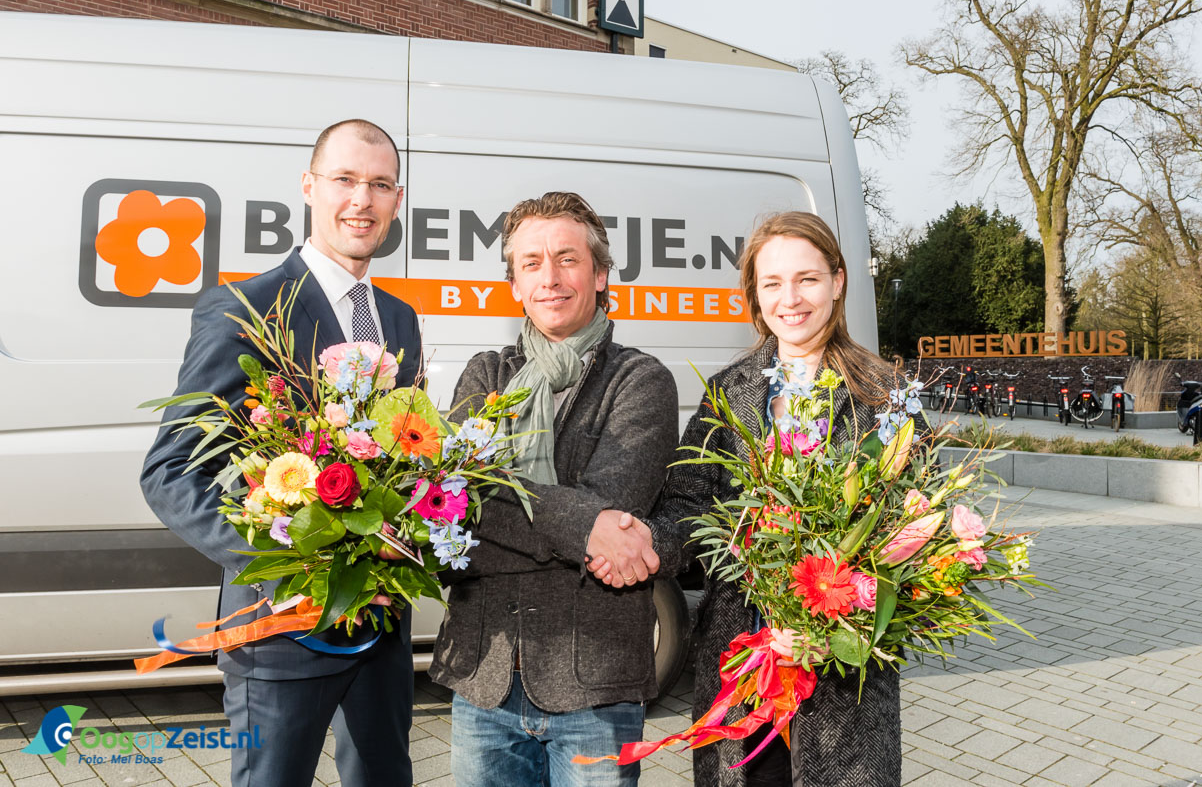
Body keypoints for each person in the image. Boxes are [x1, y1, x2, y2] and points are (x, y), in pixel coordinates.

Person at [140, 119, 422, 787]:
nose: (363, 200)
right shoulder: (245, 307)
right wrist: (290, 559)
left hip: (382, 632)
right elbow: (169, 471)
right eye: (346, 180)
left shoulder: (401, 318)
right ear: (309, 187)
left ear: (398, 200)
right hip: (280, 633)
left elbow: (401, 459)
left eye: (380, 185)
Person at [592, 211, 902, 786]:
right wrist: (646, 545)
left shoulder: (882, 396)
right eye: (773, 283)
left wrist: (832, 617)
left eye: (808, 279)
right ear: (755, 298)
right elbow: (688, 503)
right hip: (743, 666)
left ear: (838, 281)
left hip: (841, 681)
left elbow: (910, 532)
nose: (792, 299)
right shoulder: (729, 392)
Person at [431, 191, 678, 787]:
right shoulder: (486, 374)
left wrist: (502, 514)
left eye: (567, 259)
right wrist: (580, 527)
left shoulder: (640, 380)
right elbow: (453, 507)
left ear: (599, 274)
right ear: (513, 282)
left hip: (593, 684)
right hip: (483, 680)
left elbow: (613, 516)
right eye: (531, 263)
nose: (550, 278)